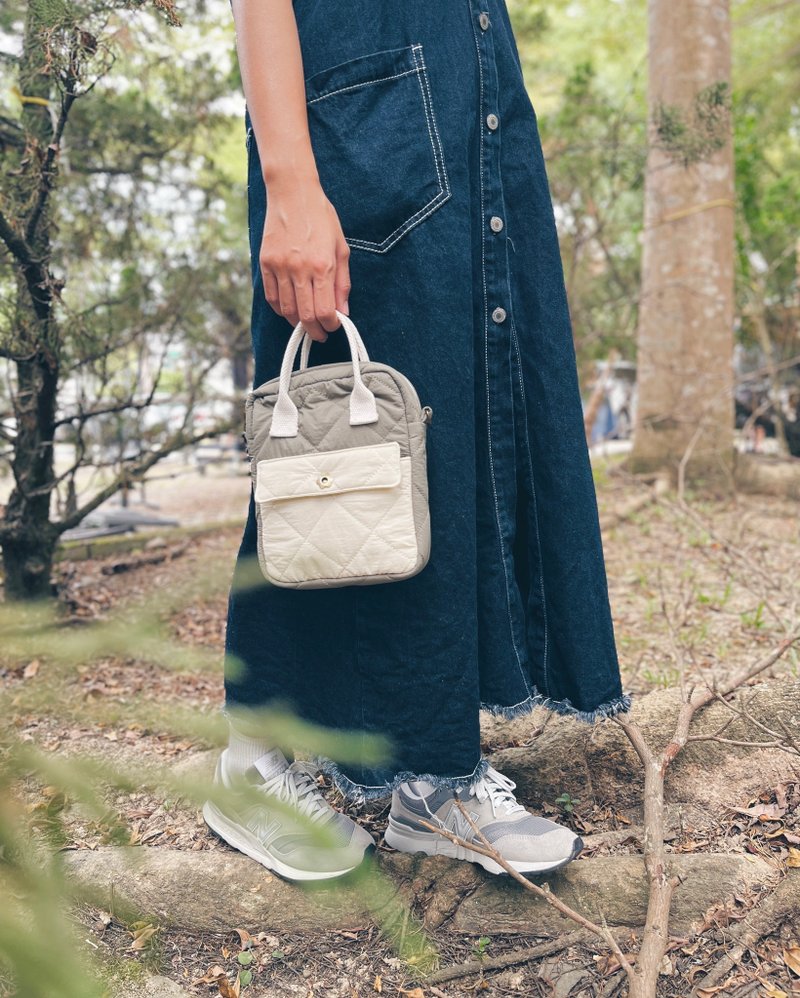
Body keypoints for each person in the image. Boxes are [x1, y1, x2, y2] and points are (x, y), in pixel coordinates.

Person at [202, 0, 632, 883]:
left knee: (458, 434)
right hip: (360, 134)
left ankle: (434, 778)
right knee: (342, 445)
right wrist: (289, 181)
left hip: (475, 107)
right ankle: (254, 757)